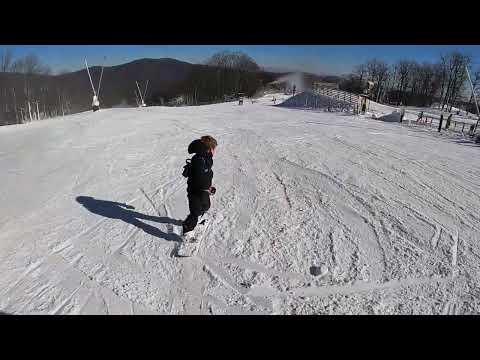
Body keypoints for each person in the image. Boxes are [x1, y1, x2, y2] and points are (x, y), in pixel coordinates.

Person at [182, 135, 217, 238]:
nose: (215, 151)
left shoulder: (206, 159)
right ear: (209, 149)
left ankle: (198, 218)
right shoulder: (199, 160)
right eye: (214, 149)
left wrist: (209, 187)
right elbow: (199, 178)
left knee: (206, 206)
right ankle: (187, 230)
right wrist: (205, 188)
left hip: (203, 190)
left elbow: (206, 175)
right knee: (195, 211)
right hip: (195, 191)